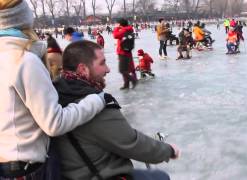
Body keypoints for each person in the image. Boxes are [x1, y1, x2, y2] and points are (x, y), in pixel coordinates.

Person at [0, 1, 109, 179]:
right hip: (26, 167)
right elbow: (54, 123)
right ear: (24, 18)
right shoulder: (23, 61)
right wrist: (97, 100)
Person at [53, 40, 180, 180]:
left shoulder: (55, 94)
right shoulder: (92, 105)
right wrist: (169, 150)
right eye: (102, 63)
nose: (108, 69)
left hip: (75, 171)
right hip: (100, 174)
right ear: (83, 69)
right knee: (160, 177)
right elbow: (132, 143)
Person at [113, 18, 138, 90]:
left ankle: (133, 80)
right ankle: (126, 84)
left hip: (122, 52)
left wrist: (117, 28)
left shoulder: (123, 30)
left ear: (121, 24)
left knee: (122, 70)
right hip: (127, 51)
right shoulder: (129, 29)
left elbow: (115, 35)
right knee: (126, 68)